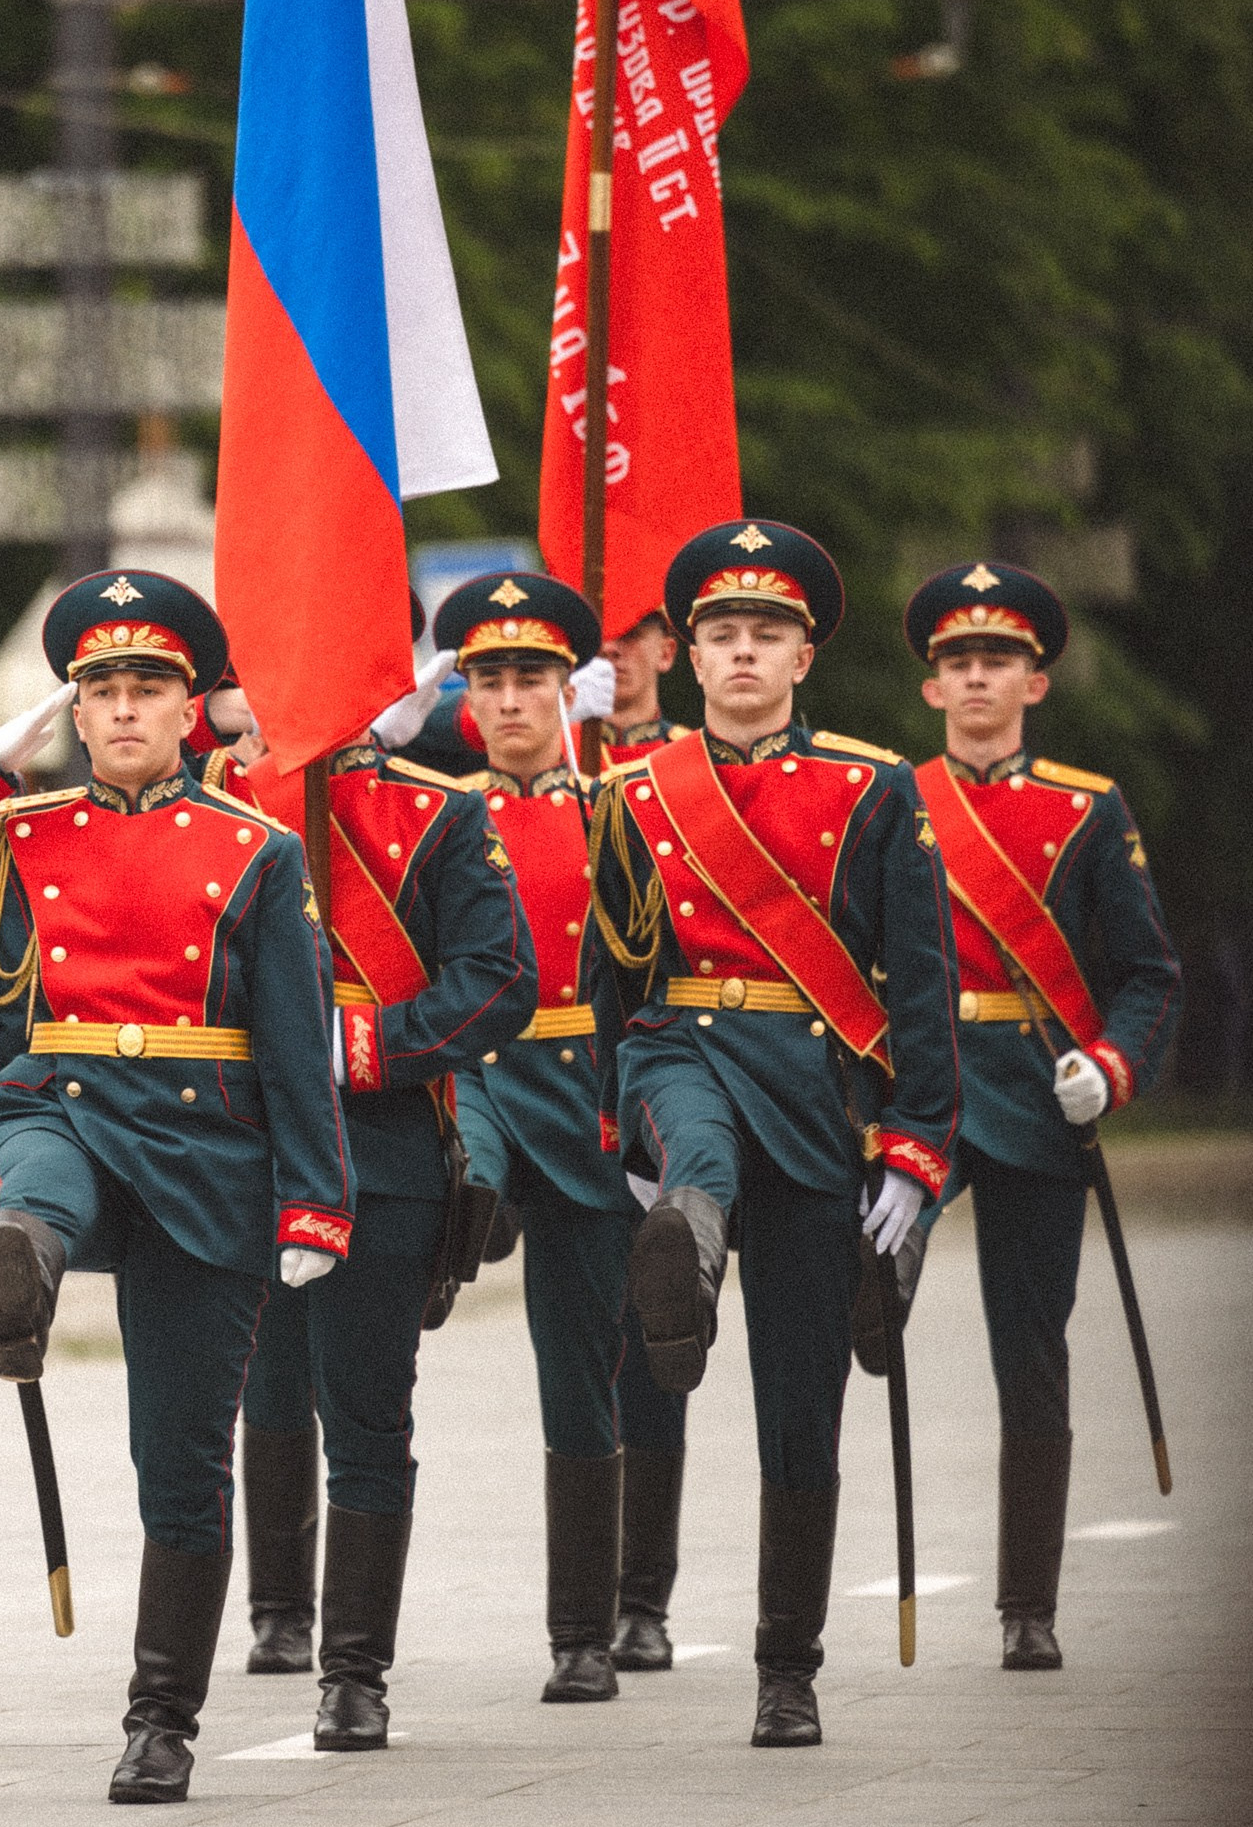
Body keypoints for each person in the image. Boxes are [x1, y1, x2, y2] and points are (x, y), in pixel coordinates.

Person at [0, 567, 354, 1806]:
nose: (122, 708)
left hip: (201, 1144)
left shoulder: (257, 849)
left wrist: (316, 1198)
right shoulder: (17, 832)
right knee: (35, 1185)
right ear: (73, 708)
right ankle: (17, 1260)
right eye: (101, 690)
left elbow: (296, 1040)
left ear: (190, 708)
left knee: (177, 1459)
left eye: (147, 688)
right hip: (57, 1100)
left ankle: (161, 1719)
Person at [590, 518, 960, 1748]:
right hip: (678, 1041)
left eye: (765, 633)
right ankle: (683, 1250)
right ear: (689, 656)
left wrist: (915, 1147)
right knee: (693, 1153)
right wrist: (617, 1124)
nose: (742, 651)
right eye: (720, 632)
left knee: (801, 1407)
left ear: (802, 657)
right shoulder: (632, 790)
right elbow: (608, 971)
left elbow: (920, 980)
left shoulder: (872, 786)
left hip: (811, 1089)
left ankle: (784, 1669)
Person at [212, 619, 537, 1745]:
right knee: (256, 1390)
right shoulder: (215, 804)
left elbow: (495, 982)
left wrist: (359, 1044)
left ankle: (353, 1670)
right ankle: (271, 1610)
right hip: (240, 1149)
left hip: (380, 1151)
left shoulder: (437, 813)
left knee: (364, 1409)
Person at [902, 561, 1181, 1667]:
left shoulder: (1086, 807)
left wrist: (1107, 1067)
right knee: (851, 1282)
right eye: (957, 661)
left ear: (1035, 681)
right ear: (930, 686)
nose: (976, 677)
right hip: (920, 1089)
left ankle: (1027, 1605)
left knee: (1030, 1353)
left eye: (997, 660)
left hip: (1032, 1092)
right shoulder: (893, 801)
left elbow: (1148, 973)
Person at [428, 568, 693, 1700]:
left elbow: (651, 974)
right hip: (473, 1075)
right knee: (463, 1176)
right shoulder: (436, 814)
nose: (507, 700)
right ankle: (461, 1222)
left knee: (589, 1367)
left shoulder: (614, 813)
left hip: (585, 1094)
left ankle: (595, 1627)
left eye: (528, 677)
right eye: (487, 679)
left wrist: (647, 1121)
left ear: (566, 689)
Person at [599, 607, 692, 771]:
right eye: (599, 636)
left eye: (629, 635)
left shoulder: (692, 758)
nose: (609, 648)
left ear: (666, 654)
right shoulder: (558, 753)